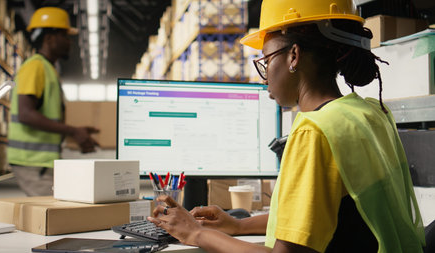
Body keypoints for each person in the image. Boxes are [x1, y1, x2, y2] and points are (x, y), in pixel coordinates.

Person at [147, 0, 426, 252]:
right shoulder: (368, 113)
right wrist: (239, 225)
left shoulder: (314, 131)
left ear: (293, 56)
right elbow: (316, 213)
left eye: (266, 61)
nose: (264, 76)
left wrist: (196, 234)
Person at [8, 7, 99, 196]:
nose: (69, 42)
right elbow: (26, 114)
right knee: (54, 216)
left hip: (40, 161)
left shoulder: (48, 69)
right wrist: (73, 131)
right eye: (64, 36)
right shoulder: (35, 67)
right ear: (49, 38)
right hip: (32, 161)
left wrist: (75, 134)